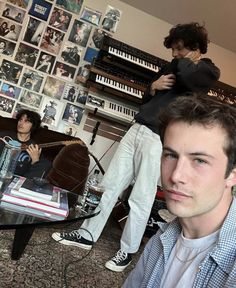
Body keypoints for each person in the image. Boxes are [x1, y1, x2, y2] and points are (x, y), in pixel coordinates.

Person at [52, 22, 220, 272]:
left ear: (195, 47)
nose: (173, 54)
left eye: (179, 49)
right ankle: (87, 235)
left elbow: (188, 75)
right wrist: (153, 86)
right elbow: (148, 95)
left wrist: (190, 59)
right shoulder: (173, 66)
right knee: (109, 186)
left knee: (141, 197)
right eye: (173, 49)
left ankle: (127, 251)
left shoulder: (207, 70)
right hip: (138, 129)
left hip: (159, 139)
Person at [123, 93, 236, 287]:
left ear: (232, 174)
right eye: (171, 155)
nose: (176, 176)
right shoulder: (161, 239)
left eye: (200, 160)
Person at [0, 109, 52, 178]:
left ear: (33, 126)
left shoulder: (34, 147)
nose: (21, 123)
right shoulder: (4, 136)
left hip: (15, 180)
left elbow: (31, 177)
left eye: (26, 121)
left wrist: (35, 161)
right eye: (20, 120)